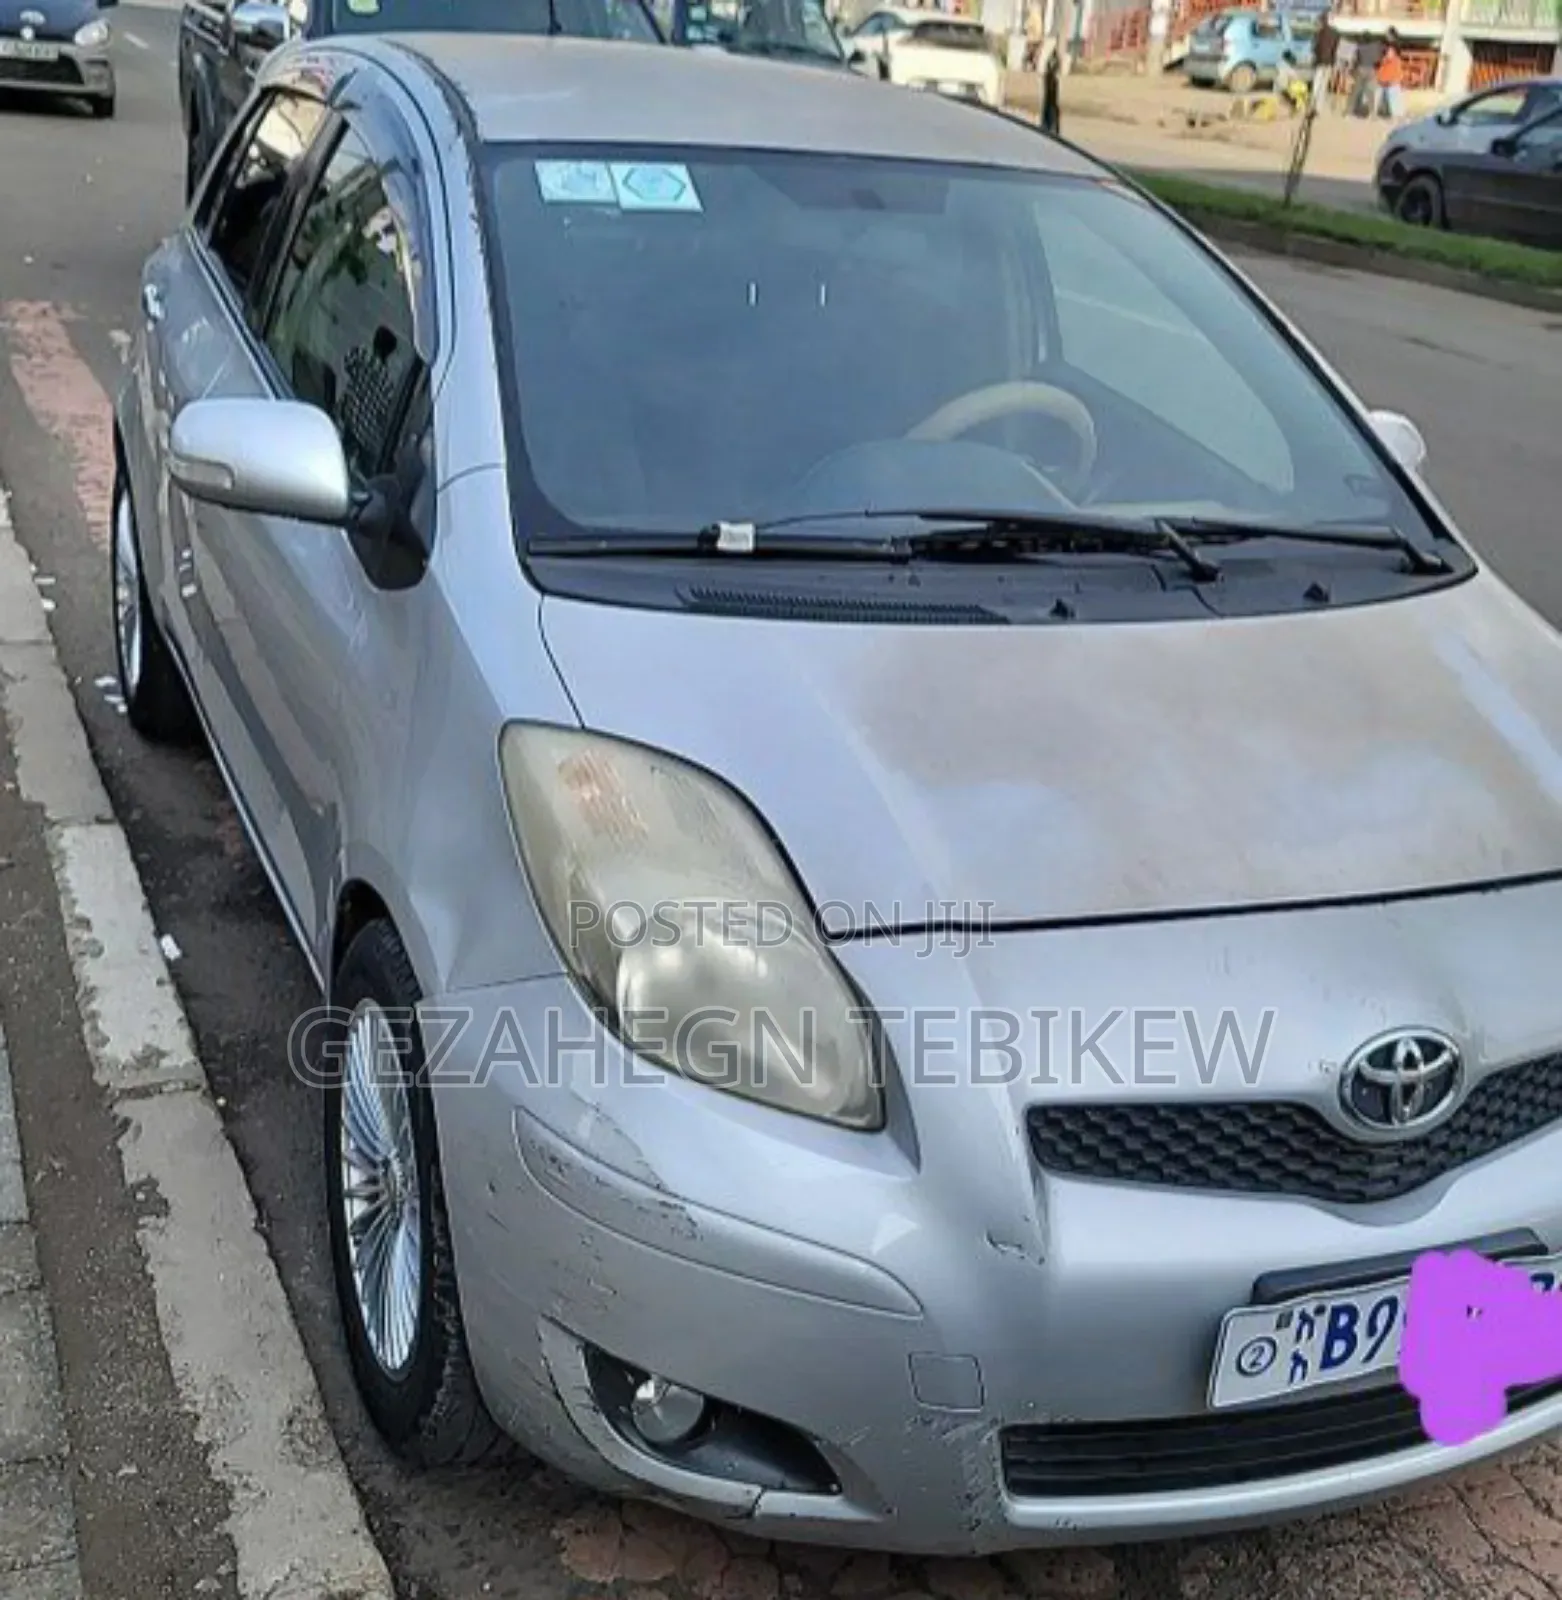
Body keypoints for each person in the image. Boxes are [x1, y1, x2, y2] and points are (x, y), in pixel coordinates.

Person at [1349, 31, 1382, 117]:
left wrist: (1353, 70)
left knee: (1355, 91)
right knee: (1370, 92)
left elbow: (1356, 60)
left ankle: (1349, 111)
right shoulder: (1375, 47)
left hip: (1361, 69)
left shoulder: (1360, 47)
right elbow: (1378, 61)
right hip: (1371, 69)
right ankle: (1372, 113)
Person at [1311, 9, 1337, 115]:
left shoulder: (1319, 33)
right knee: (1323, 85)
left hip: (1320, 61)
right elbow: (1336, 48)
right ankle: (1319, 108)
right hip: (1329, 61)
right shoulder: (1335, 33)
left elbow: (1314, 47)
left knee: (1316, 84)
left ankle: (1314, 106)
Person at [1376, 28, 1404, 120]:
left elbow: (1388, 57)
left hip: (1389, 72)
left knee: (1390, 93)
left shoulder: (1391, 47)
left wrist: (1380, 61)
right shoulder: (1397, 46)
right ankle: (1394, 112)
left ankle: (1393, 112)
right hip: (1393, 72)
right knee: (1392, 93)